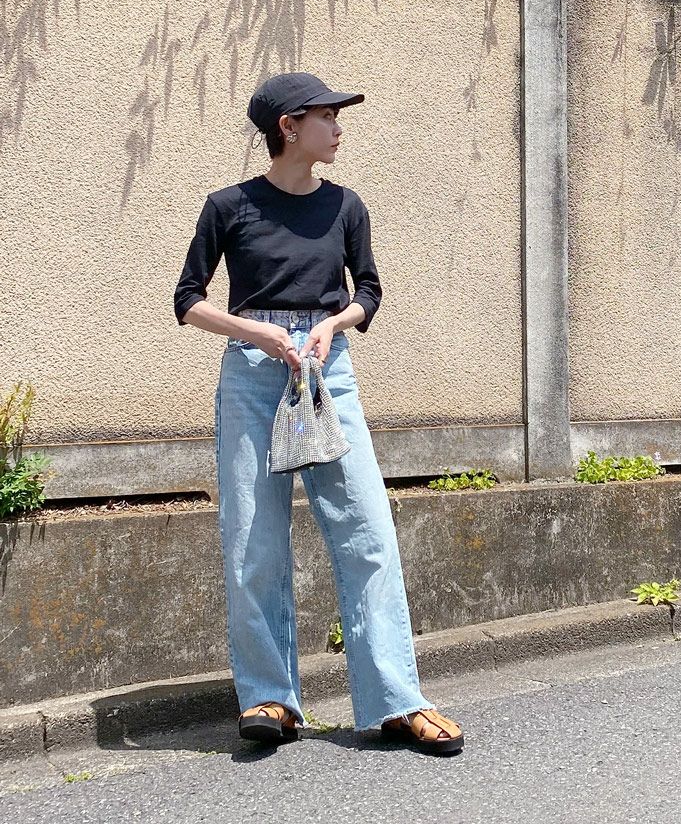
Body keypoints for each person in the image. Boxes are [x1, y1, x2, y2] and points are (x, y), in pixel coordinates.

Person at [173, 72, 464, 755]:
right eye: (327, 116)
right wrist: (254, 332)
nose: (338, 128)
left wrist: (335, 323)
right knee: (254, 542)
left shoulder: (345, 206)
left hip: (326, 371)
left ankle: (397, 701)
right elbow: (188, 300)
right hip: (253, 373)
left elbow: (369, 289)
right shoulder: (228, 207)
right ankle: (270, 697)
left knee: (368, 532)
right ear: (289, 127)